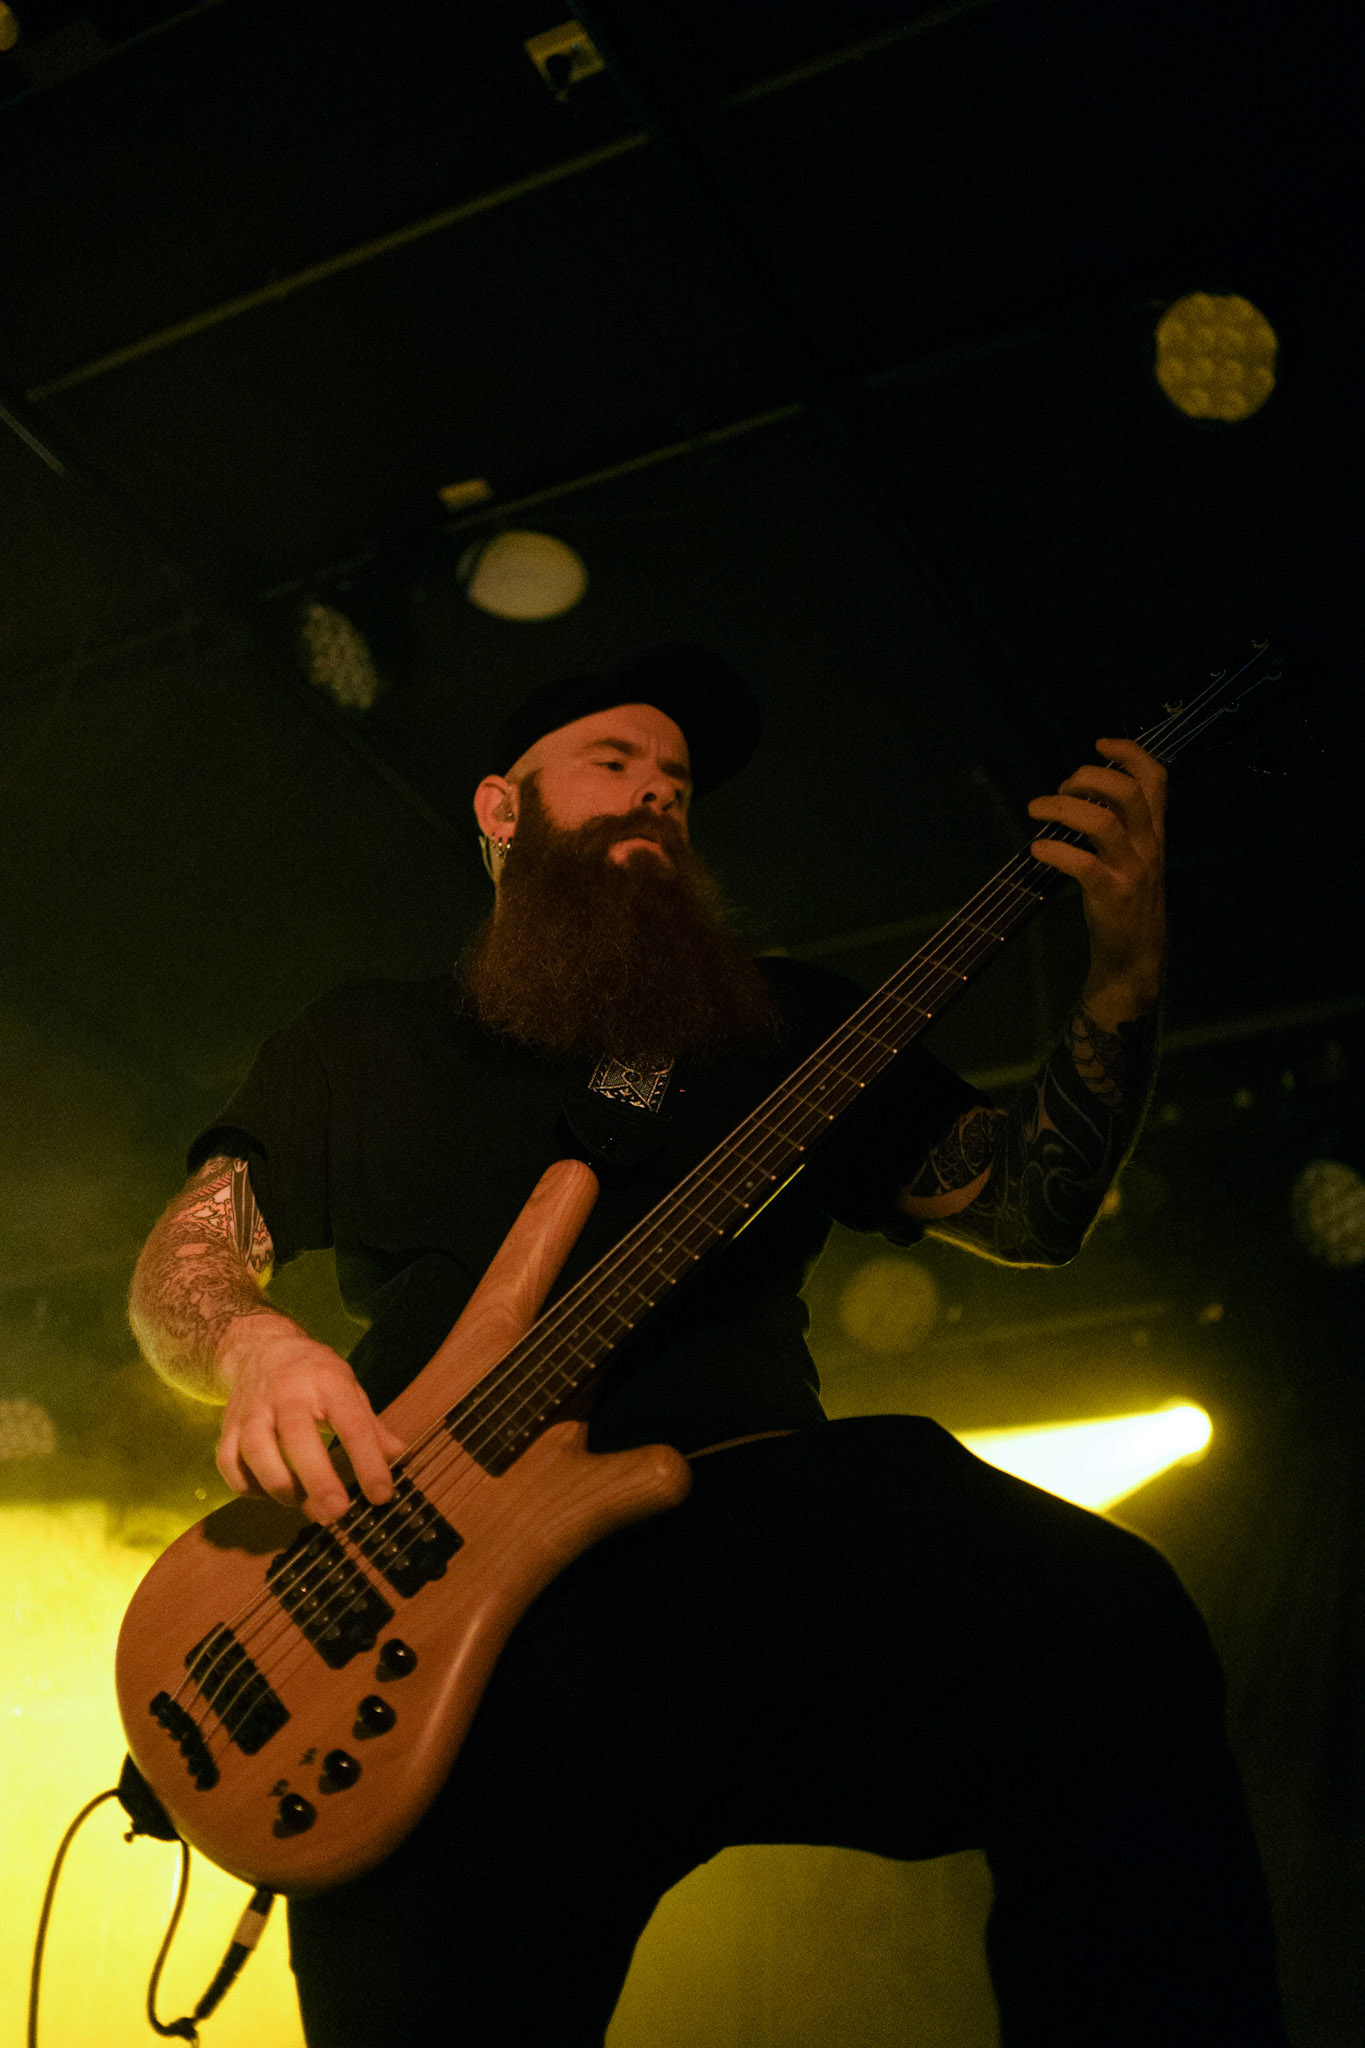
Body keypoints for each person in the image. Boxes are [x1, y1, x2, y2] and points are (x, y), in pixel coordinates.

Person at [128, 645, 1285, 2046]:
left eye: (676, 786)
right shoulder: (365, 1038)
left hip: (745, 1532)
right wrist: (251, 1343)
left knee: (1104, 1630)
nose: (655, 797)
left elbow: (1033, 1207)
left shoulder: (782, 1027)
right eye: (612, 762)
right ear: (500, 808)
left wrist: (1126, 969)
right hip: (420, 1613)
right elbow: (191, 1254)